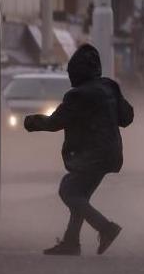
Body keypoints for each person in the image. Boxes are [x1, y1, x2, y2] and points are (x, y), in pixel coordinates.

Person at [24, 44, 133, 256]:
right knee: (79, 196)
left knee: (69, 190)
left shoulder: (78, 95)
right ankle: (71, 242)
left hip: (92, 155)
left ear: (77, 72)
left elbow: (55, 122)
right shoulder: (109, 86)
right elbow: (127, 117)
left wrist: (30, 122)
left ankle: (106, 228)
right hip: (110, 154)